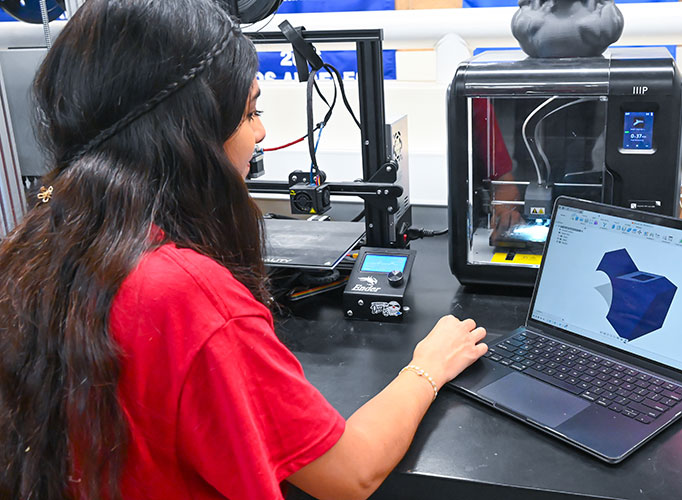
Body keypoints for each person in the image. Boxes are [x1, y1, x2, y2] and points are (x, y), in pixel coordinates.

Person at [0, 1, 488, 499]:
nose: (260, 133)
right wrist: (428, 367)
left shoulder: (32, 247)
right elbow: (351, 473)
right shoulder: (187, 300)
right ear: (191, 129)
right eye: (250, 112)